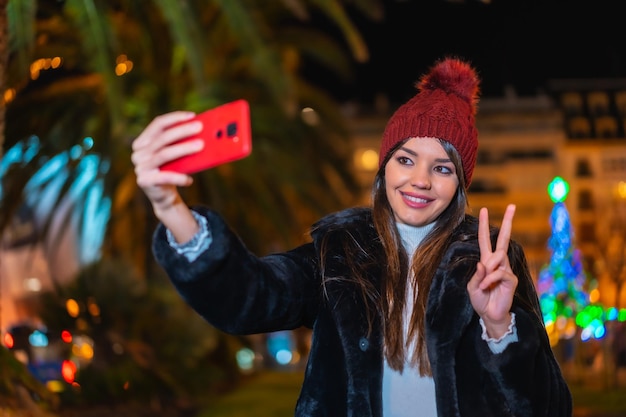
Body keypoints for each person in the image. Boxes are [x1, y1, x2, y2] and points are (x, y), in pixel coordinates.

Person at [131, 56, 573, 417]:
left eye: (442, 168)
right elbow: (249, 298)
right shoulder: (339, 251)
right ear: (384, 168)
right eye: (406, 159)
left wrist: (501, 328)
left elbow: (550, 407)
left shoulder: (492, 261)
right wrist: (170, 207)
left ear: (460, 185)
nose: (420, 180)